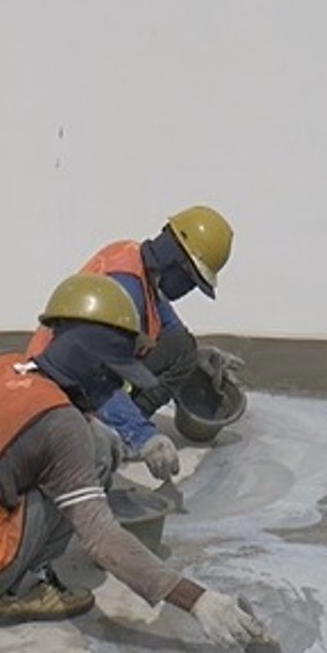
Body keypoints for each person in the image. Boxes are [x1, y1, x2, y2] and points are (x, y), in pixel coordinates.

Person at [0, 272, 267, 646]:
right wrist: (197, 600)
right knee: (88, 452)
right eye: (116, 377)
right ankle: (20, 588)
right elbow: (102, 538)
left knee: (81, 443)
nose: (117, 389)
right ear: (95, 366)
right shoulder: (61, 426)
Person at [26, 205, 245, 483]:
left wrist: (199, 358)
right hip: (60, 386)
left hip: (89, 369)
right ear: (175, 261)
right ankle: (114, 428)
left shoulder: (140, 267)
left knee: (184, 349)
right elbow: (94, 380)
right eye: (191, 281)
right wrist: (143, 436)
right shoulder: (124, 288)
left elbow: (175, 336)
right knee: (89, 455)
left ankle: (120, 423)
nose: (188, 290)